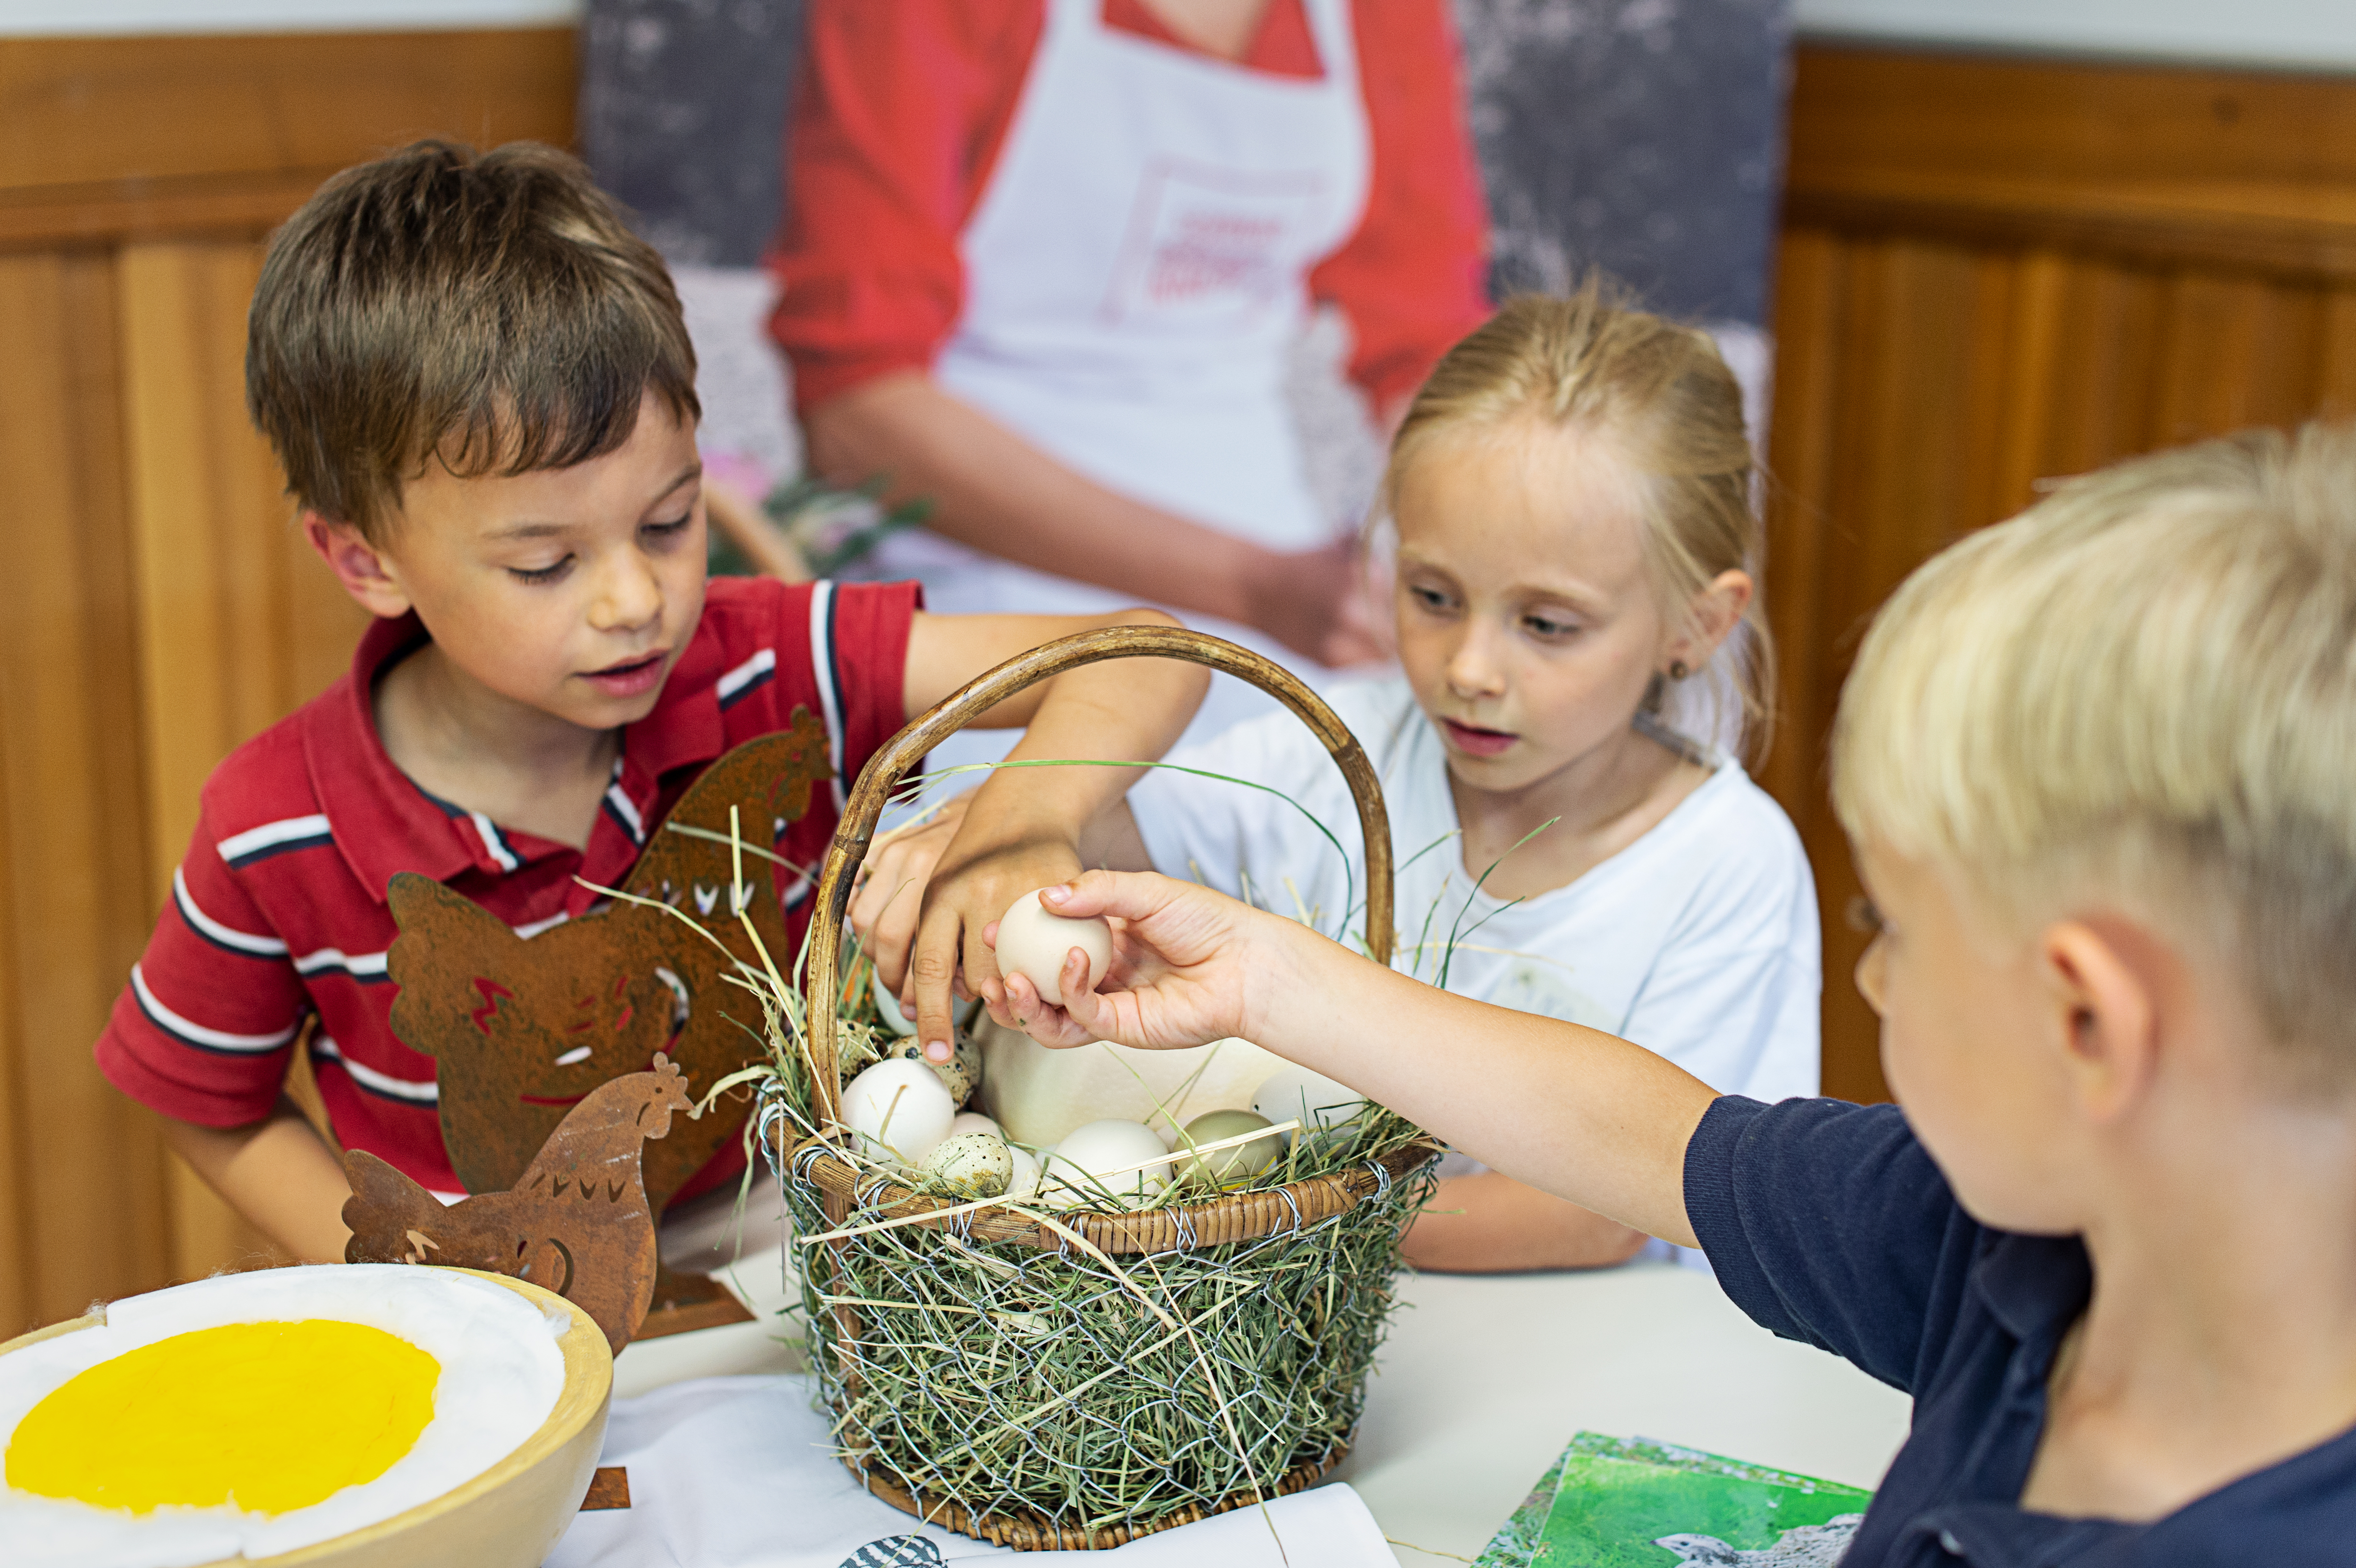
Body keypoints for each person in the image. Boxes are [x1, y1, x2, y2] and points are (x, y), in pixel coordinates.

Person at [1002, 424, 2356, 1560]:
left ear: (2086, 1026)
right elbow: (1656, 1139)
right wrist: (1272, 978)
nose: (1872, 970)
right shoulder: (2017, 1245)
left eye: (1894, 925)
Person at [91, 142, 1207, 1266]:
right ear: (364, 558)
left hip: (808, 1261)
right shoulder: (273, 824)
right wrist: (402, 1268)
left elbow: (1148, 654)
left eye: (669, 523)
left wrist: (1025, 813)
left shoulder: (764, 661)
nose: (635, 599)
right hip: (507, 1311)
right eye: (544, 566)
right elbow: (203, 1097)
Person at [856, 291, 1818, 1272]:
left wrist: (1261, 1218)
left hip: (1596, 1352)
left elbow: (1608, 1210)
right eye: (1433, 596)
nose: (1471, 667)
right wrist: (1016, 819)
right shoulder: (1343, 746)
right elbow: (1125, 840)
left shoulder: (1726, 863)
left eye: (1547, 625)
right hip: (1334, 1329)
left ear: (1696, 625)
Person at [769, 0, 1492, 756]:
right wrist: (1255, 589)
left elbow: (1428, 338)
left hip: (1297, 588)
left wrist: (1506, 544)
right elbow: (854, 418)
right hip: (972, 590)